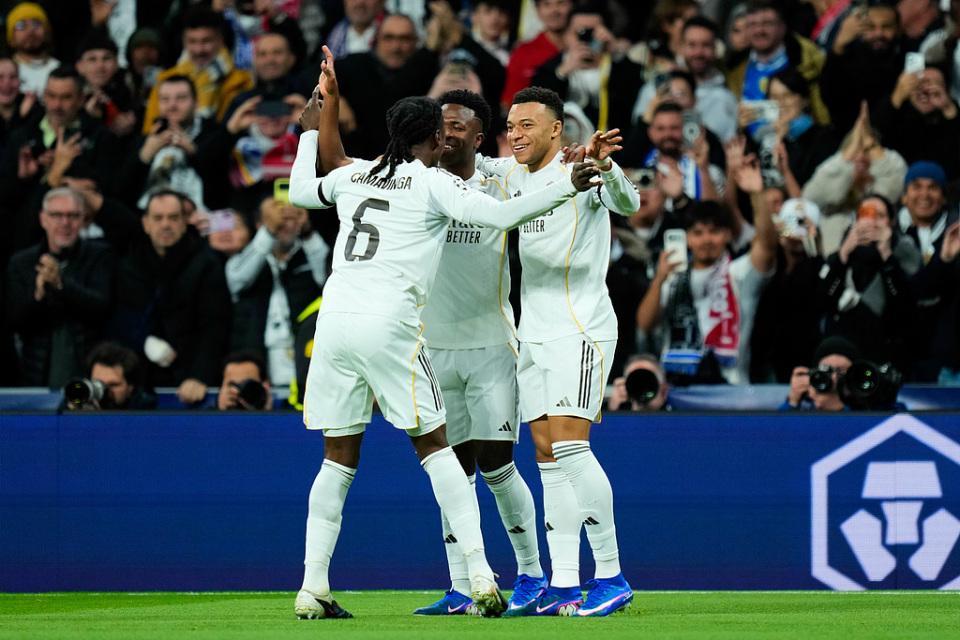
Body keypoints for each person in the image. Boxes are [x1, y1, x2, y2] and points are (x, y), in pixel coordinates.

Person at [288, 49, 602, 620]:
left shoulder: (358, 175)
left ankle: (313, 586)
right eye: (443, 127)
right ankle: (477, 579)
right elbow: (504, 217)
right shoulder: (432, 184)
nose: (450, 135)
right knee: (439, 453)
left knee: (339, 458)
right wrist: (571, 186)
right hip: (398, 328)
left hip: (337, 323)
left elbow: (302, 191)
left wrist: (313, 128)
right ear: (432, 137)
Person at [475, 85, 640, 616]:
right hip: (533, 333)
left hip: (580, 327)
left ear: (556, 129)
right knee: (547, 459)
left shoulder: (582, 170)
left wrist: (607, 167)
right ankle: (565, 582)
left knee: (571, 449)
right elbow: (467, 160)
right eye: (511, 126)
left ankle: (611, 574)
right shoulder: (510, 174)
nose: (516, 134)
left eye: (527, 125)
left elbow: (629, 203)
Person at [637, 156, 779, 385]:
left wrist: (756, 193)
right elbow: (645, 325)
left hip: (730, 388)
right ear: (688, 238)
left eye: (714, 231)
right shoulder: (671, 275)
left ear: (727, 235)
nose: (706, 240)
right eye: (698, 233)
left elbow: (767, 246)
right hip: (678, 387)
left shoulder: (739, 273)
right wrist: (659, 280)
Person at [110, 190, 231, 405]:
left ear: (185, 222)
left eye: (173, 218)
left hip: (190, 381)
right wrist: (143, 340)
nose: (166, 225)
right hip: (138, 380)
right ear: (146, 223)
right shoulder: (129, 263)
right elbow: (118, 317)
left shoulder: (206, 263)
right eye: (158, 218)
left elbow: (215, 326)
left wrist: (199, 376)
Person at [5, 187, 114, 387]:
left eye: (73, 216)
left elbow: (101, 308)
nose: (65, 223)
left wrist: (60, 284)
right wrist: (38, 296)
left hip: (87, 371)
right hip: (35, 375)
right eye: (56, 215)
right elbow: (15, 320)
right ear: (43, 219)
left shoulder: (100, 256)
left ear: (83, 220)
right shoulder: (21, 263)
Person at [226, 195, 328, 385]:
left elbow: (328, 279)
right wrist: (268, 232)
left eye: (290, 217)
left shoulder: (310, 252)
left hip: (306, 352)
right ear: (259, 224)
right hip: (257, 357)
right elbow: (236, 280)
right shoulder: (246, 257)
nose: (283, 223)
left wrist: (307, 232)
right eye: (274, 217)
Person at [803, 103, 908, 256]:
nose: (860, 157)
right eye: (853, 152)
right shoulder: (830, 191)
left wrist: (870, 143)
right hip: (835, 266)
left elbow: (898, 174)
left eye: (867, 152)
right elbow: (810, 196)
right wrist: (846, 158)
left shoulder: (882, 191)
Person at [530, 4, 643, 137]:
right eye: (579, 32)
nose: (586, 38)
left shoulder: (620, 68)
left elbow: (632, 99)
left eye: (592, 32)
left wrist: (616, 54)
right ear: (566, 35)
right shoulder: (551, 68)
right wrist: (563, 72)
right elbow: (538, 105)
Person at [142, 6, 253, 132]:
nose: (199, 50)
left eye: (206, 41)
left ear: (220, 40)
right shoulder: (165, 80)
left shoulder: (241, 81)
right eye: (192, 41)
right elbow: (149, 130)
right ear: (184, 42)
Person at [633, 16, 739, 144]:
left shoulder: (725, 98)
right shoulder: (654, 89)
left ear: (715, 49)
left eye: (706, 45)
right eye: (692, 45)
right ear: (681, 47)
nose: (698, 52)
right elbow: (637, 139)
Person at [725, 1, 830, 126]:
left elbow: (824, 112)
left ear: (782, 27)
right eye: (752, 24)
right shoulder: (735, 69)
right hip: (754, 138)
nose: (759, 30)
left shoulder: (807, 58)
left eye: (767, 23)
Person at [820, 1, 904, 134]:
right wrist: (838, 46)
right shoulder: (847, 58)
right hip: (849, 137)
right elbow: (830, 97)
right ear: (859, 29)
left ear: (898, 29)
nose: (879, 33)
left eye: (886, 27)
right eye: (870, 27)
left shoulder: (907, 60)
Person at [872, 66, 960, 180]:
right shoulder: (895, 113)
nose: (926, 89)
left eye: (935, 84)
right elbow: (875, 133)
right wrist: (898, 95)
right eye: (919, 83)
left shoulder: (952, 114)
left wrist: (948, 109)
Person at [500, 0, 573, 109]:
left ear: (573, 6)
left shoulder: (588, 46)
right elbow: (510, 102)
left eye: (561, 3)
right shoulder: (523, 52)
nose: (554, 10)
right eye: (547, 4)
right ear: (537, 10)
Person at [780, 335, 860, 411]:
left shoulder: (863, 403)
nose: (834, 377)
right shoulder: (806, 405)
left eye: (841, 371)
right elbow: (779, 420)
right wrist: (793, 401)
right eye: (827, 371)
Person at [79, 341, 157, 410]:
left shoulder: (148, 412)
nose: (104, 391)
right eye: (97, 384)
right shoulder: (80, 407)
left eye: (113, 385)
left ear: (130, 388)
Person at [6, 1, 60, 95]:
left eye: (36, 23)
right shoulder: (4, 73)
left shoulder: (60, 68)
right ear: (11, 38)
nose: (30, 30)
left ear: (47, 32)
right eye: (21, 25)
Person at [606, 354, 671, 411]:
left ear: (664, 390)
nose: (641, 387)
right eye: (635, 382)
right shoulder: (614, 412)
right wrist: (612, 410)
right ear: (625, 386)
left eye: (648, 381)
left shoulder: (675, 417)